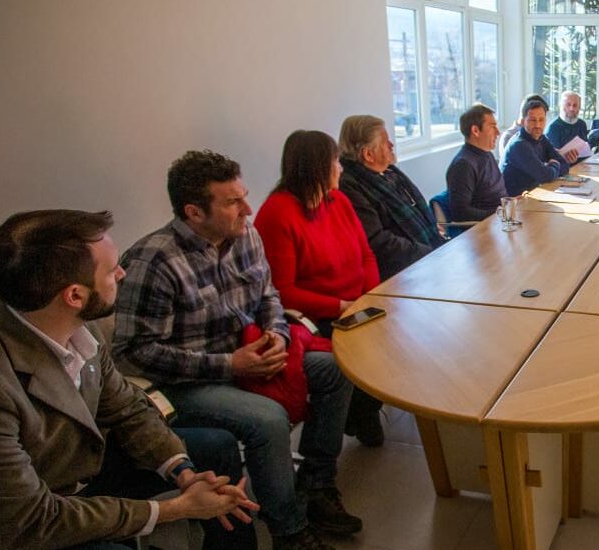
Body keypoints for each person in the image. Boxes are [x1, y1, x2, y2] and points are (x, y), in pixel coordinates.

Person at [114, 150, 360, 550]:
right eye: (232, 202)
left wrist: (277, 335)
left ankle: (316, 484)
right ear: (194, 212)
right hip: (189, 381)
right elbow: (133, 353)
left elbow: (268, 296)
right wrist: (231, 365)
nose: (248, 208)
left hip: (250, 355)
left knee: (337, 368)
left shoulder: (245, 234)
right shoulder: (153, 261)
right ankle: (289, 531)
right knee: (267, 419)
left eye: (244, 196)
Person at [0, 209, 260, 549]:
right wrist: (174, 509)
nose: (122, 274)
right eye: (112, 269)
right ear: (74, 295)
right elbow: (32, 520)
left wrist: (185, 474)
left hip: (83, 467)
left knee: (216, 447)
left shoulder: (75, 326)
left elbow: (127, 408)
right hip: (40, 514)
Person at [254, 130, 383, 446]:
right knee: (365, 349)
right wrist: (343, 306)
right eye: (335, 161)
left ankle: (363, 410)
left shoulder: (338, 200)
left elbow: (366, 254)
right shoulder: (277, 213)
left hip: (356, 301)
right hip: (317, 315)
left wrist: (371, 295)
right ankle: (356, 416)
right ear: (315, 167)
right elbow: (282, 290)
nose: (340, 168)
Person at [338, 114, 444, 280]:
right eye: (385, 142)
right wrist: (427, 253)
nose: (391, 145)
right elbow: (379, 242)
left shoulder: (390, 171)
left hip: (428, 256)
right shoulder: (350, 187)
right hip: (401, 273)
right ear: (368, 155)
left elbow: (416, 207)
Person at [447, 103, 507, 222]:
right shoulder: (463, 165)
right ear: (475, 130)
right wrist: (498, 213)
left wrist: (511, 204)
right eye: (492, 127)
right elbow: (460, 212)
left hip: (500, 220)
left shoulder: (487, 155)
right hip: (483, 230)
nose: (498, 132)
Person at [501, 99, 571, 197]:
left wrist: (550, 169)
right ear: (523, 121)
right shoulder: (519, 144)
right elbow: (546, 176)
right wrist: (554, 164)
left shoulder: (541, 138)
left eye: (541, 120)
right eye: (533, 120)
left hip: (533, 195)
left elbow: (565, 165)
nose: (538, 125)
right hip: (515, 203)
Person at [498, 94, 548, 162]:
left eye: (541, 119)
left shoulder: (538, 135)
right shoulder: (509, 137)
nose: (538, 124)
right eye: (534, 119)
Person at [545, 91, 590, 156]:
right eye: (568, 104)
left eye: (575, 105)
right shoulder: (553, 128)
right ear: (561, 105)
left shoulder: (582, 124)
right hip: (565, 165)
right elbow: (553, 158)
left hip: (583, 164)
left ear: (579, 107)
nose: (571, 108)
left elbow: (585, 150)